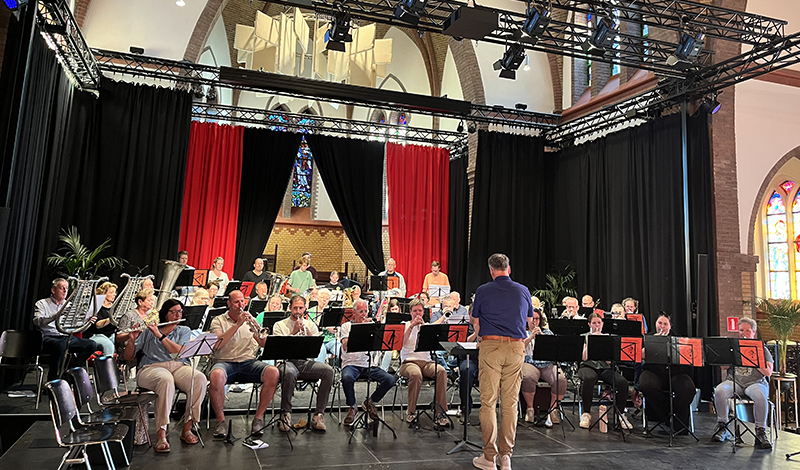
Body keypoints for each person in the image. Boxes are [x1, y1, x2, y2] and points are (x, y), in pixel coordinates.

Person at [470, 253, 531, 470]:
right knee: (510, 403)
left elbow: (475, 320)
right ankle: (506, 457)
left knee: (488, 402)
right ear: (509, 269)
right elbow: (529, 320)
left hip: (491, 346)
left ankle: (489, 457)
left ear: (491, 270)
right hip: (516, 347)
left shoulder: (483, 290)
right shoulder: (523, 290)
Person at [123, 299, 207, 453]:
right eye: (173, 312)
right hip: (151, 367)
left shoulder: (183, 330)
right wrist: (132, 340)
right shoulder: (148, 331)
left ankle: (188, 428)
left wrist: (160, 335)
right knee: (165, 380)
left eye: (180, 312)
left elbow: (177, 351)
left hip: (178, 365)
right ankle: (161, 434)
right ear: (165, 313)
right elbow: (128, 357)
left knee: (199, 378)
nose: (177, 315)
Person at [208, 290, 280, 438]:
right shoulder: (218, 321)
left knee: (273, 372)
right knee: (216, 375)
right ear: (229, 303)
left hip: (248, 362)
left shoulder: (249, 319)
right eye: (236, 302)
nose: (241, 305)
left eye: (242, 301)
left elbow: (263, 344)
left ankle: (258, 418)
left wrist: (259, 333)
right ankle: (220, 421)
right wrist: (237, 325)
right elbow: (218, 344)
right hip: (225, 362)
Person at [271, 295, 334, 432]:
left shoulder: (310, 325)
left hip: (305, 362)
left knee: (328, 371)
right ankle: (286, 413)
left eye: (300, 308)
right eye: (295, 308)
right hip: (286, 362)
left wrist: (309, 335)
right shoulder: (279, 325)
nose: (298, 311)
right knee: (289, 373)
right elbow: (279, 349)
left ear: (305, 308)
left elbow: (317, 350)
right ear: (290, 308)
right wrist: (293, 332)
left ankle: (319, 415)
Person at [711, 317, 774, 450]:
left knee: (760, 396)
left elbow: (768, 372)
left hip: (755, 382)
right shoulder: (733, 348)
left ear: (754, 332)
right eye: (741, 330)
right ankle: (723, 427)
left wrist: (754, 359)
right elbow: (723, 367)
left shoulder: (762, 349)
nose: (743, 333)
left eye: (747, 331)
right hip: (735, 381)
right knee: (719, 391)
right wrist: (726, 355)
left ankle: (760, 432)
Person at [340, 299, 397, 426]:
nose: (364, 314)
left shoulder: (371, 326)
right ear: (354, 312)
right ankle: (352, 406)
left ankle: (370, 402)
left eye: (365, 311)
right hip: (351, 364)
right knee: (347, 378)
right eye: (361, 311)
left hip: (368, 364)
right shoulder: (346, 326)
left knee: (390, 380)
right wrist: (361, 329)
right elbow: (345, 346)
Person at [638, 312, 696, 435]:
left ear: (670, 326)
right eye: (660, 323)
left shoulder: (678, 339)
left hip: (676, 373)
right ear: (655, 323)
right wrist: (655, 341)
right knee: (646, 384)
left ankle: (678, 421)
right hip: (654, 372)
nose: (662, 326)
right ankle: (665, 415)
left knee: (688, 388)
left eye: (665, 324)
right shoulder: (648, 337)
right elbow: (640, 356)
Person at [34, 278, 98, 381]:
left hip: (65, 336)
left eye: (67, 288)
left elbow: (76, 325)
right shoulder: (42, 303)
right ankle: (53, 379)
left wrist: (88, 321)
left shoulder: (69, 305)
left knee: (91, 345)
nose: (65, 291)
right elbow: (37, 321)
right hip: (48, 337)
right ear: (53, 290)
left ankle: (69, 371)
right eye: (62, 288)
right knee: (60, 345)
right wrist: (56, 315)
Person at [577, 312, 632, 431]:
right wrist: (591, 341)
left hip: (604, 368)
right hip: (587, 366)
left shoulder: (608, 337)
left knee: (622, 382)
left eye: (599, 323)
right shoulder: (584, 336)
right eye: (594, 323)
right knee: (589, 378)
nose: (597, 325)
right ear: (589, 324)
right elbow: (583, 357)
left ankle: (621, 414)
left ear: (602, 324)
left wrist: (604, 346)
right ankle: (586, 413)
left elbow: (609, 361)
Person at [398, 299, 449, 427]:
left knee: (441, 371)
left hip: (426, 362)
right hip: (408, 362)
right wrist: (412, 326)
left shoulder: (426, 327)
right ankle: (411, 411)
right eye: (415, 311)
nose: (417, 313)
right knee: (416, 374)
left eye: (420, 311)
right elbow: (401, 343)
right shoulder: (404, 325)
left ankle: (440, 412)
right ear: (410, 312)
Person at [433, 294, 478, 421]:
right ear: (470, 314)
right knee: (466, 371)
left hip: (486, 358)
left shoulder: (488, 323)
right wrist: (477, 333)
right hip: (469, 358)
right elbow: (464, 341)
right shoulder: (464, 324)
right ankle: (465, 409)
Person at [522, 300, 567, 428]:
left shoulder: (547, 332)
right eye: (532, 318)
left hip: (546, 363)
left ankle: (553, 409)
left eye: (536, 319)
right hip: (529, 362)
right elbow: (519, 348)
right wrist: (531, 337)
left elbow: (553, 349)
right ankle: (530, 409)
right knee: (528, 377)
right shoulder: (522, 332)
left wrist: (542, 337)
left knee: (560, 379)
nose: (534, 321)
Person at [84, 281, 119, 357]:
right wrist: (112, 318)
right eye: (111, 292)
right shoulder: (97, 306)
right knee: (109, 345)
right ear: (104, 293)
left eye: (115, 292)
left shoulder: (115, 307)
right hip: (95, 334)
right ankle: (107, 364)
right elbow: (97, 325)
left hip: (110, 334)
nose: (115, 294)